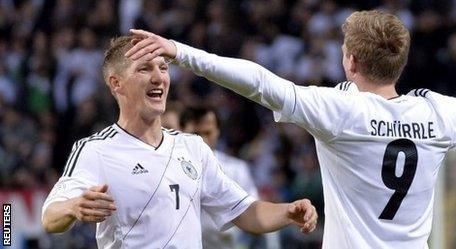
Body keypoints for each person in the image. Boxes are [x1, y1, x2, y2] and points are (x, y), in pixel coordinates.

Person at [125, 10, 456, 249]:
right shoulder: (441, 117)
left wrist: (180, 51)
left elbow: (261, 83)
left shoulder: (340, 113)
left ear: (350, 60)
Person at [41, 36, 318, 248]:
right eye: (144, 68)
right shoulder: (96, 150)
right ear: (116, 83)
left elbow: (245, 212)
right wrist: (73, 206)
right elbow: (49, 217)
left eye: (163, 67)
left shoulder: (193, 148)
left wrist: (288, 212)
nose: (159, 77)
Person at [180, 105, 277, 249]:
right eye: (196, 134)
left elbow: (252, 211)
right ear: (180, 131)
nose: (202, 140)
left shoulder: (237, 169)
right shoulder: (169, 167)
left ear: (218, 131)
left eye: (208, 133)